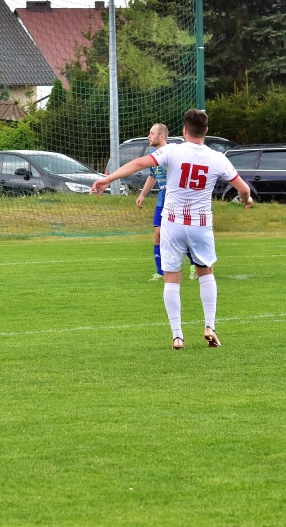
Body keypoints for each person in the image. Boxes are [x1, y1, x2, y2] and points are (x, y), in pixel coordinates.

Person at [91, 109, 252, 350]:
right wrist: (246, 199)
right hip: (200, 224)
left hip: (173, 222)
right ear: (205, 131)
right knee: (206, 273)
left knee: (172, 279)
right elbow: (242, 187)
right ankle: (210, 326)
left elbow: (138, 163)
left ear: (184, 130)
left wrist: (108, 179)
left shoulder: (173, 150)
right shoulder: (217, 157)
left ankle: (177, 336)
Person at [136, 123, 170, 282]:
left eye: (151, 133)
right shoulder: (153, 155)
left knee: (180, 236)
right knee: (157, 235)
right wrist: (142, 194)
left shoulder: (172, 153)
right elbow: (152, 176)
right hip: (161, 199)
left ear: (161, 136)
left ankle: (194, 265)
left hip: (174, 200)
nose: (149, 136)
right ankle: (160, 272)